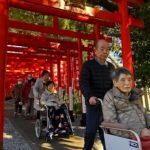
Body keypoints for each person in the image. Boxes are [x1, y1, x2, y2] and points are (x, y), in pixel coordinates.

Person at [79, 39, 114, 150]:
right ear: (95, 50)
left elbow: (115, 84)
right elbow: (83, 82)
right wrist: (89, 96)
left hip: (108, 106)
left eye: (107, 49)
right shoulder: (88, 65)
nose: (105, 51)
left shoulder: (111, 67)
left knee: (108, 133)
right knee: (91, 132)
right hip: (94, 104)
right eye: (102, 49)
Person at [103, 67, 150, 138]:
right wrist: (139, 134)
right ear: (115, 82)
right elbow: (112, 125)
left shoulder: (134, 94)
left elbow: (144, 113)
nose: (127, 83)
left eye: (129, 79)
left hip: (145, 133)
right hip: (130, 138)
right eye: (123, 80)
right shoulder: (110, 97)